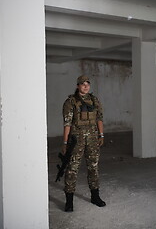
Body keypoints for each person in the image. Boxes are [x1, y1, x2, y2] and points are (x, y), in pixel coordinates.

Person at [61, 75, 106, 212]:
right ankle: (69, 202)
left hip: (92, 138)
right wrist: (65, 142)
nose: (86, 86)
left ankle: (95, 196)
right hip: (76, 139)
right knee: (72, 169)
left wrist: (101, 134)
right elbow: (67, 123)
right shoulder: (70, 102)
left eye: (88, 84)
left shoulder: (94, 100)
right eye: (82, 84)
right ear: (77, 86)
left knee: (93, 167)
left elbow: (99, 118)